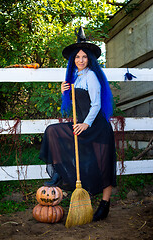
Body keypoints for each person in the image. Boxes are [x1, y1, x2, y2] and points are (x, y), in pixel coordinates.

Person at [39, 27, 116, 221]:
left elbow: (96, 104)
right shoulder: (75, 77)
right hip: (83, 125)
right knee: (53, 131)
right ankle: (58, 173)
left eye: (84, 57)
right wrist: (65, 90)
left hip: (96, 127)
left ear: (89, 58)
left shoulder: (91, 75)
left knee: (104, 165)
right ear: (72, 60)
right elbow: (77, 104)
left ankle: (104, 207)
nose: (80, 60)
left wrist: (86, 125)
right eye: (77, 57)